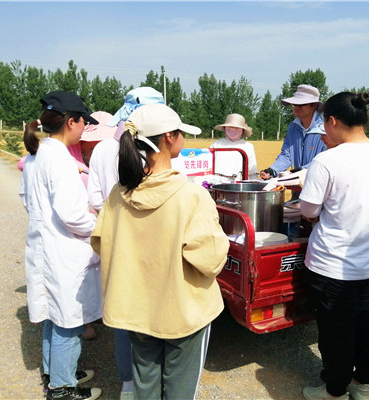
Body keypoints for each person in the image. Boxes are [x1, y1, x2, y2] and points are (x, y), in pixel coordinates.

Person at [91, 104, 229, 400]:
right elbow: (211, 260)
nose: (183, 139)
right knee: (180, 389)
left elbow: (101, 243)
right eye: (181, 133)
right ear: (169, 137)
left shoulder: (119, 193)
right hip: (182, 312)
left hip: (134, 309)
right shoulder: (191, 195)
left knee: (145, 382)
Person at [299, 92, 369, 400]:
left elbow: (308, 210)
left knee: (335, 333)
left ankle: (334, 390)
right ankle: (362, 384)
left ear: (331, 121)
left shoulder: (327, 160)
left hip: (334, 267)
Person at [19, 91, 102, 400]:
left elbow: (26, 199)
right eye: (84, 122)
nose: (85, 129)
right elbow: (73, 215)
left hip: (45, 245)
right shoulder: (62, 160)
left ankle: (55, 372)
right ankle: (62, 388)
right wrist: (99, 224)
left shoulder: (36, 154)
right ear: (71, 122)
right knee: (69, 321)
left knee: (54, 316)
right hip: (63, 251)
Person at [86, 87, 164, 400]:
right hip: (151, 247)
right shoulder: (156, 151)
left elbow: (93, 198)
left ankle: (128, 386)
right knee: (151, 316)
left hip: (115, 245)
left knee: (120, 316)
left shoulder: (104, 149)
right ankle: (153, 383)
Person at [260, 84, 326, 180]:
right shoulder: (293, 128)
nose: (296, 107)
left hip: (319, 186)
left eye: (301, 104)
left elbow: (324, 160)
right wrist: (272, 171)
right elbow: (287, 155)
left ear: (314, 105)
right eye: (294, 104)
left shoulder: (326, 129)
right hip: (297, 186)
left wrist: (300, 171)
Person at [210, 113, 258, 180]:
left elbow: (252, 170)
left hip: (238, 183)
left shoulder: (247, 146)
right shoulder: (216, 144)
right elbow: (209, 167)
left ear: (242, 130)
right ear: (225, 128)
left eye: (237, 129)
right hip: (217, 181)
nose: (233, 131)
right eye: (229, 128)